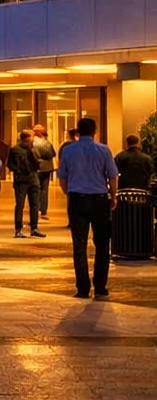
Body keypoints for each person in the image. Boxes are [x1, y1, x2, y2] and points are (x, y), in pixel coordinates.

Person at [57, 117, 120, 299]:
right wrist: (113, 196)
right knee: (102, 244)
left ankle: (82, 287)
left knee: (79, 245)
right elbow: (112, 176)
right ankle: (100, 286)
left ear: (78, 131)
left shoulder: (68, 150)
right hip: (99, 200)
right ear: (95, 131)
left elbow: (62, 177)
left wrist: (69, 194)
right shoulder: (103, 150)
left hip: (77, 199)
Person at [8, 129, 46, 238]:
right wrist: (19, 170)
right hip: (22, 180)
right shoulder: (15, 149)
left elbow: (44, 156)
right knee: (20, 205)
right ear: (27, 138)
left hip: (33, 179)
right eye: (32, 136)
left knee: (34, 204)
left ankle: (34, 228)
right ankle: (19, 229)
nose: (34, 138)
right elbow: (10, 164)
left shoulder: (33, 148)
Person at [32, 124, 57, 219]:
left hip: (37, 167)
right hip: (47, 167)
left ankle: (35, 208)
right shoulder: (47, 142)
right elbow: (53, 153)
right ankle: (44, 210)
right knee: (44, 189)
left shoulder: (32, 142)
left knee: (35, 189)